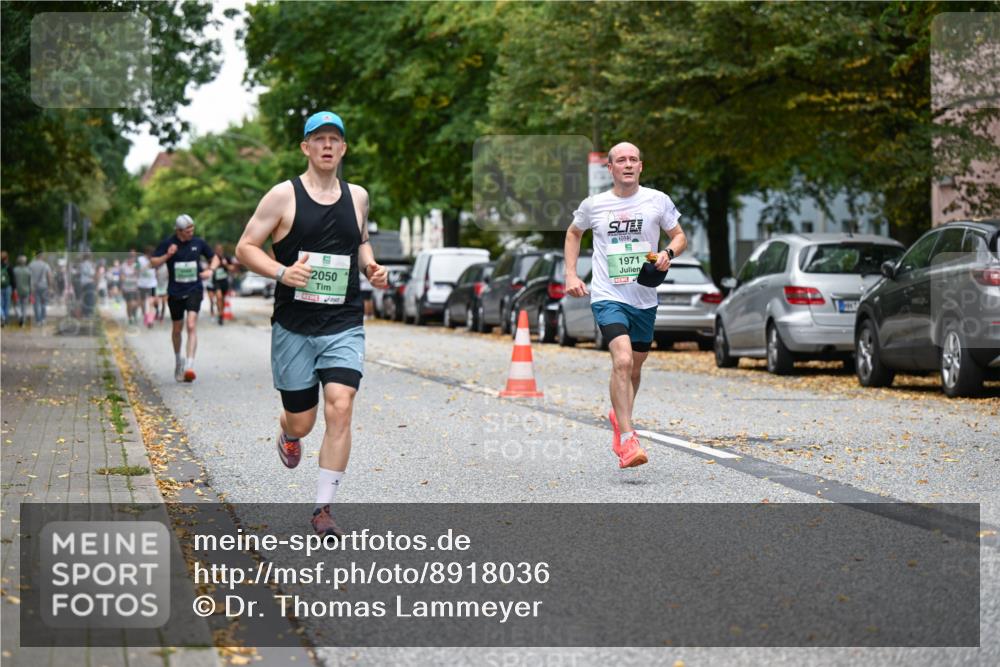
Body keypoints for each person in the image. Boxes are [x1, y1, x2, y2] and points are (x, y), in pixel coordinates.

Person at [236, 110, 387, 537]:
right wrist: (282, 272)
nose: (326, 145)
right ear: (305, 147)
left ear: (343, 148)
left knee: (341, 405)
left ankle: (323, 508)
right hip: (294, 326)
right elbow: (246, 247)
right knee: (302, 420)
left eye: (333, 139)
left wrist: (372, 265)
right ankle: (287, 431)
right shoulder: (282, 196)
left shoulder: (357, 196)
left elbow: (360, 242)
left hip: (343, 321)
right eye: (318, 139)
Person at [564, 142, 687, 469]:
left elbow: (679, 237)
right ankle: (627, 439)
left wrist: (668, 254)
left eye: (634, 159)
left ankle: (620, 416)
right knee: (621, 359)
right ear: (611, 168)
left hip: (644, 297)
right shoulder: (595, 205)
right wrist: (571, 274)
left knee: (634, 367)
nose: (628, 164)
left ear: (641, 166)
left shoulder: (656, 200)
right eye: (621, 160)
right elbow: (573, 233)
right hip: (608, 296)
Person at [150, 215, 218, 382]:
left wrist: (211, 270)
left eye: (192, 229)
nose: (191, 232)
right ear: (179, 231)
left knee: (191, 325)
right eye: (188, 230)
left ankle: (189, 366)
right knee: (177, 329)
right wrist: (167, 255)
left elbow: (214, 258)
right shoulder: (168, 243)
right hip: (175, 292)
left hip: (194, 289)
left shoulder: (198, 243)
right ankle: (178, 360)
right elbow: (153, 262)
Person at [212, 244, 238, 325]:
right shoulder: (213, 258)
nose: (219, 251)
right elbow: (209, 268)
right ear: (215, 250)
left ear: (222, 250)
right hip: (216, 281)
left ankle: (221, 314)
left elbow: (233, 268)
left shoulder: (226, 257)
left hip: (224, 281)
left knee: (222, 299)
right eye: (217, 249)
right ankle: (220, 313)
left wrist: (225, 264)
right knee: (219, 297)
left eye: (220, 249)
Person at [28, 251, 53, 326]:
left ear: (36, 256)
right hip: (44, 286)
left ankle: (38, 320)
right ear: (42, 256)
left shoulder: (31, 265)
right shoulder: (46, 265)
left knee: (36, 304)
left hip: (34, 287)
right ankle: (43, 319)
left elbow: (28, 277)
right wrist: (50, 287)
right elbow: (49, 276)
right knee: (44, 303)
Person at [137, 246, 158, 327]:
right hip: (142, 284)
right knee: (142, 303)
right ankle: (145, 315)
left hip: (152, 284)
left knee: (151, 302)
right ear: (146, 253)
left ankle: (150, 320)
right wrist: (147, 266)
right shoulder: (140, 259)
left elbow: (157, 269)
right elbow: (137, 269)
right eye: (150, 254)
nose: (151, 256)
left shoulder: (154, 259)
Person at [13, 255, 31, 326]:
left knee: (17, 305)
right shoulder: (28, 270)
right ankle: (23, 321)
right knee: (24, 306)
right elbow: (30, 282)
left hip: (17, 290)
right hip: (26, 290)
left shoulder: (15, 270)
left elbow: (13, 281)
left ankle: (19, 315)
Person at [1, 251, 13, 326]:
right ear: (7, 257)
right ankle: (6, 320)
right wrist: (14, 287)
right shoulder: (9, 265)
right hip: (8, 286)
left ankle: (2, 318)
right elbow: (12, 277)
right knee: (7, 304)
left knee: (1, 304)